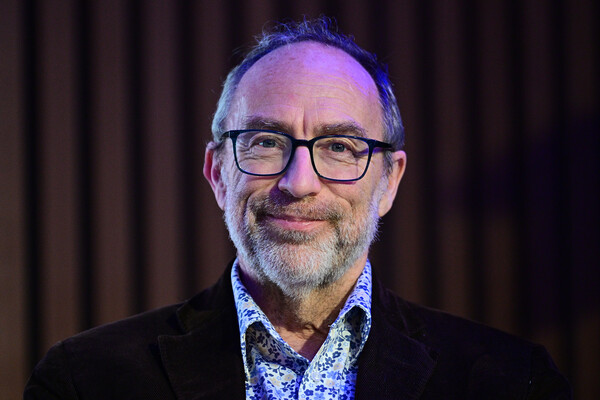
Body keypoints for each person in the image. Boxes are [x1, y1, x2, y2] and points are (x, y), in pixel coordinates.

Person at [24, 17, 570, 399]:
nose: (299, 182)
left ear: (388, 181)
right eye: (265, 142)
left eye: (339, 147)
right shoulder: (85, 380)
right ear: (218, 173)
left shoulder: (512, 382)